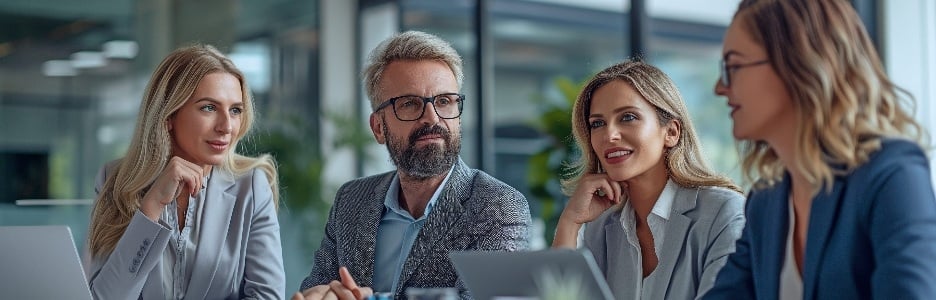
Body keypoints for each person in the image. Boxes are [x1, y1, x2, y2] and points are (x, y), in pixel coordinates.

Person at [704, 0, 936, 299]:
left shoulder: (891, 175)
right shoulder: (766, 202)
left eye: (734, 66)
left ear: (797, 63)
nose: (720, 87)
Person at [293, 31, 532, 300]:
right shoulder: (351, 200)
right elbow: (316, 289)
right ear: (378, 127)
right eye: (409, 104)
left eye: (444, 101)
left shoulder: (498, 206)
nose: (432, 118)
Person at [85, 44, 285, 299]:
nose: (226, 126)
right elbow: (103, 297)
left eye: (235, 110)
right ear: (169, 114)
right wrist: (151, 207)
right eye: (209, 108)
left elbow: (267, 296)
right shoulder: (115, 180)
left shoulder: (251, 187)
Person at [551, 60, 745, 299]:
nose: (609, 135)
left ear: (671, 132)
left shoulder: (723, 212)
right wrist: (570, 222)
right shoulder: (600, 228)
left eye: (628, 117)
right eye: (598, 123)